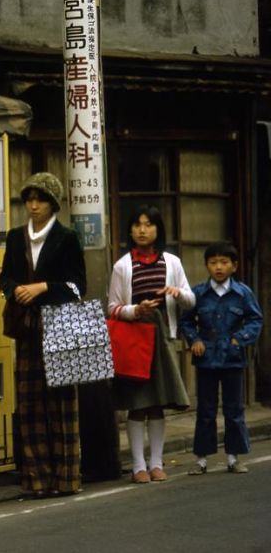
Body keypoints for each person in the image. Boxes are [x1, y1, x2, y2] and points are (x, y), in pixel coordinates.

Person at [0, 172, 86, 498]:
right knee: (30, 402)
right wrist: (15, 289)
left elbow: (79, 285)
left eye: (41, 200)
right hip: (27, 327)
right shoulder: (14, 236)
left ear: (53, 204)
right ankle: (36, 479)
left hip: (60, 324)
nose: (33, 206)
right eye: (30, 200)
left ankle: (66, 478)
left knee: (62, 403)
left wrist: (44, 287)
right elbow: (5, 276)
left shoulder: (67, 238)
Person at [107, 205, 192, 484]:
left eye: (148, 224)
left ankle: (156, 462)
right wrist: (135, 310)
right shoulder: (122, 266)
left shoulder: (172, 263)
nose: (142, 230)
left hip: (163, 338)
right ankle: (137, 466)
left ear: (158, 229)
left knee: (157, 404)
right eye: (137, 225)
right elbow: (113, 308)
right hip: (134, 341)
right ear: (130, 230)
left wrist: (177, 293)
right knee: (137, 404)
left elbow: (191, 300)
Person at [179, 242, 263, 475]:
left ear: (234, 266)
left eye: (224, 262)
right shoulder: (198, 293)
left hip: (232, 359)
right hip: (205, 359)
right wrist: (194, 340)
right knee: (205, 410)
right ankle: (201, 459)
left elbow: (255, 319)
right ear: (206, 265)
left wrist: (240, 339)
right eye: (213, 262)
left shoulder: (242, 293)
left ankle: (233, 458)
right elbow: (186, 320)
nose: (218, 267)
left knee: (234, 410)